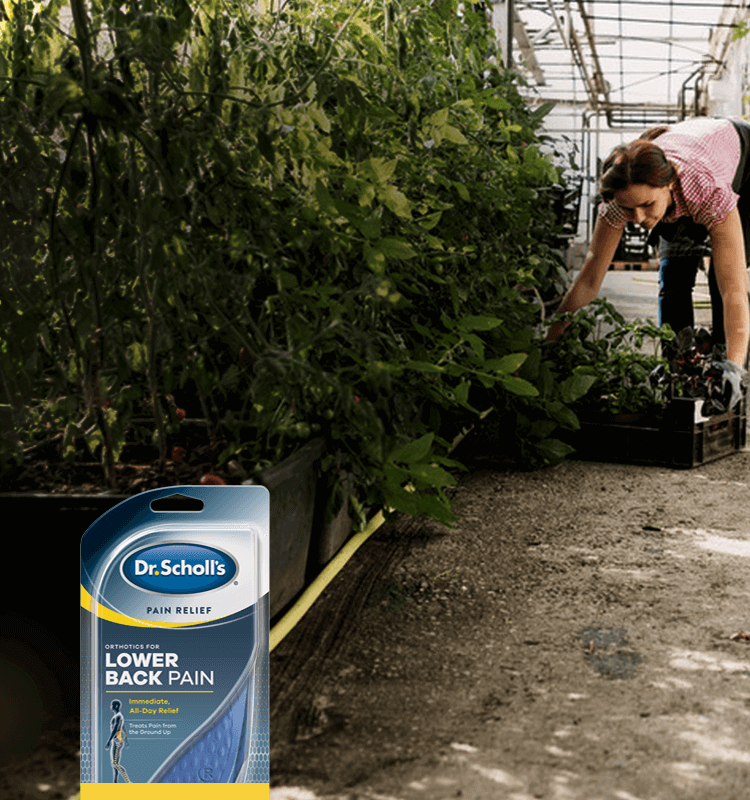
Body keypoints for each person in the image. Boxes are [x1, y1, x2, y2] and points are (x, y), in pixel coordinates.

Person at [548, 116, 750, 409]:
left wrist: (735, 366)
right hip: (683, 171)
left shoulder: (708, 191)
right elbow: (588, 281)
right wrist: (549, 342)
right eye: (630, 209)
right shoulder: (620, 204)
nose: (640, 220)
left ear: (668, 184)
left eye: (646, 206)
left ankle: (726, 369)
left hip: (743, 161)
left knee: (725, 274)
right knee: (672, 278)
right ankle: (677, 368)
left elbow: (734, 291)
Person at [105, 699, 130, 783]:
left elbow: (115, 729)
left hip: (117, 741)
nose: (110, 707)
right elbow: (124, 728)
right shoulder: (119, 716)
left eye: (111, 705)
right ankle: (115, 783)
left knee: (114, 764)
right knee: (115, 764)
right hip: (117, 741)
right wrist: (126, 740)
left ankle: (128, 781)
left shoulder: (118, 716)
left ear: (115, 706)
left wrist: (108, 741)